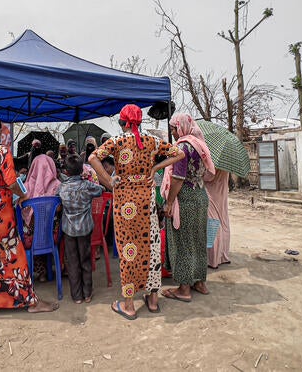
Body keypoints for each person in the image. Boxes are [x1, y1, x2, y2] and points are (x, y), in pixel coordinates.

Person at [89, 104, 184, 320]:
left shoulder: (117, 141)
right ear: (140, 121)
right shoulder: (152, 141)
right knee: (150, 245)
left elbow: (93, 157)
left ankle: (129, 304)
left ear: (123, 122)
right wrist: (154, 168)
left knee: (128, 249)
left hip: (125, 202)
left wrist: (109, 180)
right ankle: (152, 300)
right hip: (147, 200)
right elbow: (178, 153)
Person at [0, 115, 59, 318]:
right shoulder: (2, 152)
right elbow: (10, 181)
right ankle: (31, 302)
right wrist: (23, 194)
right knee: (14, 256)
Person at [161, 113, 215, 302]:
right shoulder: (200, 144)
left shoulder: (182, 147)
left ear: (181, 127)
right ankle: (199, 282)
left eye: (174, 129)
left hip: (185, 198)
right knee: (199, 239)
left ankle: (184, 289)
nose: (173, 132)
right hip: (200, 195)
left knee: (183, 242)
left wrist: (168, 202)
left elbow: (177, 178)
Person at [57, 154, 103, 303]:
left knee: (72, 262)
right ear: (81, 169)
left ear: (67, 171)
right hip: (85, 228)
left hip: (68, 228)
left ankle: (76, 296)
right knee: (85, 260)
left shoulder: (62, 187)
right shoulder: (87, 186)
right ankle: (87, 293)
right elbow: (100, 190)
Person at [21, 153, 62, 281]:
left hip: (31, 238)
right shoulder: (58, 185)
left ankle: (40, 271)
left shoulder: (25, 188)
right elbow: (60, 209)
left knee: (30, 230)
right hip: (53, 236)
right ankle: (60, 267)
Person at [206, 168, 231, 268]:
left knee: (213, 223)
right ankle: (224, 256)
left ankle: (214, 260)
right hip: (222, 193)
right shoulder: (226, 161)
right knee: (224, 222)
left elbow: (209, 177)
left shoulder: (214, 160)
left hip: (212, 194)